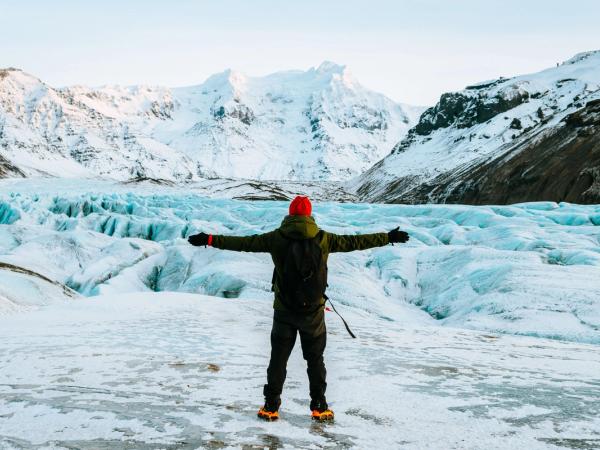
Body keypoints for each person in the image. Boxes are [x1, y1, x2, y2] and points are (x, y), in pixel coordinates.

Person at [188, 195, 409, 422]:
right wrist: (388, 237)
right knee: (315, 360)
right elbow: (356, 242)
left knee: (278, 360)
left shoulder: (276, 238)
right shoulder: (324, 239)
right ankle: (319, 406)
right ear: (309, 216)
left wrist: (210, 239)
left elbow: (243, 243)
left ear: (290, 214)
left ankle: (271, 407)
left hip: (284, 311)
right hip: (313, 313)